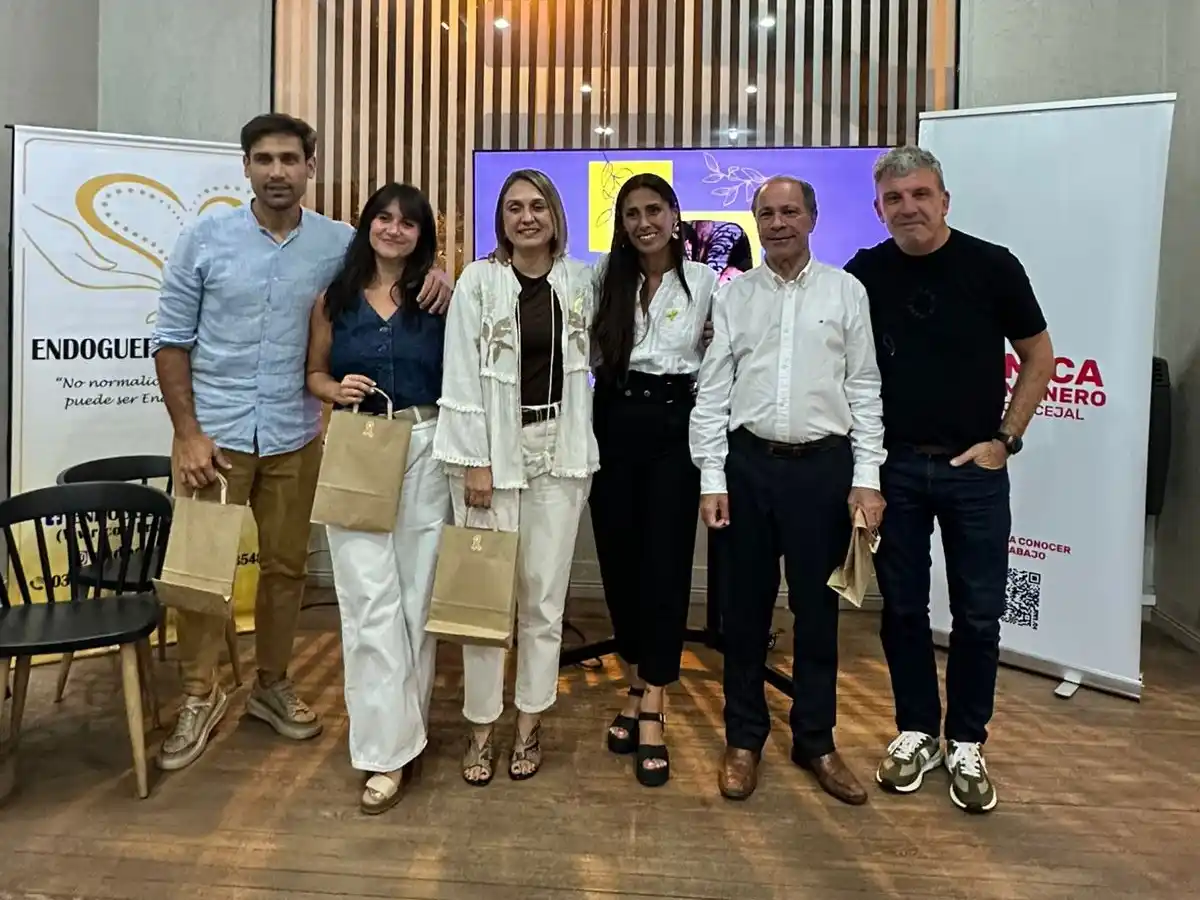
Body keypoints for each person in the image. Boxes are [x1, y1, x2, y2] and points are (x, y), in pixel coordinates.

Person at [151, 113, 451, 772]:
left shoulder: (338, 244)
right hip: (217, 437)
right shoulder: (204, 238)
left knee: (287, 573)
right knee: (201, 572)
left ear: (311, 165)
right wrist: (187, 433)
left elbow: (394, 272)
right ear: (247, 167)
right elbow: (170, 342)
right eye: (264, 159)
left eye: (290, 159)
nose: (277, 171)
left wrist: (444, 275)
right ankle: (200, 695)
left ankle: (271, 685)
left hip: (294, 436)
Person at [844, 146, 1053, 814]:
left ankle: (966, 739)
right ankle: (915, 731)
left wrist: (1005, 441)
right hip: (896, 469)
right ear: (878, 209)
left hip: (974, 470)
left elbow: (1039, 354)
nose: (909, 207)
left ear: (944, 199)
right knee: (902, 610)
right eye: (894, 198)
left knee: (980, 614)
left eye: (920, 194)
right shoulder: (864, 274)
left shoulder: (992, 265)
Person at [690, 175, 886, 806]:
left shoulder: (846, 291)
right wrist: (713, 478)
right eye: (766, 213)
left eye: (790, 212)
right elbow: (714, 392)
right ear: (754, 221)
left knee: (817, 615)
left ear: (812, 218)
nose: (777, 223)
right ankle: (744, 739)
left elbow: (864, 391)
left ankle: (816, 741)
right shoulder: (735, 296)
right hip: (747, 468)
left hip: (823, 473)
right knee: (743, 614)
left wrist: (866, 479)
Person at [432, 169, 597, 786]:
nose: (526, 217)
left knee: (544, 599)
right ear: (501, 219)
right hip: (490, 455)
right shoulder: (478, 281)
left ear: (554, 213)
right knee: (485, 601)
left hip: (560, 450)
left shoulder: (581, 280)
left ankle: (530, 721)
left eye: (537, 205)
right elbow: (460, 374)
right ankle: (481, 726)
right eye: (513, 207)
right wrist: (477, 460)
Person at [304, 182, 449, 814]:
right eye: (383, 219)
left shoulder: (440, 297)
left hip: (426, 443)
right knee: (366, 600)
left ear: (423, 235)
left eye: (408, 223)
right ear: (366, 226)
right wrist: (333, 389)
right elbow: (313, 373)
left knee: (416, 596)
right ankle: (384, 752)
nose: (394, 230)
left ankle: (403, 740)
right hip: (358, 446)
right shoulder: (332, 299)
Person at [590, 174, 717, 788]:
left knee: (665, 565)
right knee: (620, 562)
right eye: (632, 213)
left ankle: (655, 708)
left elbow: (722, 362)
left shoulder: (709, 286)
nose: (644, 222)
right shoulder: (603, 282)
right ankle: (637, 680)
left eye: (654, 210)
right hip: (612, 420)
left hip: (676, 426)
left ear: (674, 214)